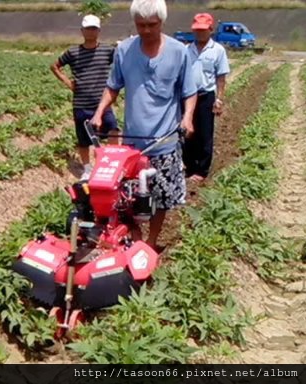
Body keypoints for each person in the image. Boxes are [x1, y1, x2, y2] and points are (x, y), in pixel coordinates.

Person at [90, 0, 197, 251]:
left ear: (162, 22)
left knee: (161, 199)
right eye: (141, 25)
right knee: (126, 197)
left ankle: (151, 241)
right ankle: (134, 238)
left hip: (164, 142)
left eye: (152, 25)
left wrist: (188, 117)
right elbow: (112, 87)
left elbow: (189, 92)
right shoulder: (125, 51)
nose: (146, 30)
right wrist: (99, 112)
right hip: (132, 145)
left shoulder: (179, 51)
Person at [50, 14, 119, 180]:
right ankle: (87, 169)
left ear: (99, 31)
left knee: (113, 131)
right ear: (82, 31)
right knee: (83, 139)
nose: (91, 31)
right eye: (88, 28)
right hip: (81, 103)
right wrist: (69, 83)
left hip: (102, 104)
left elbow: (121, 62)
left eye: (94, 28)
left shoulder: (108, 50)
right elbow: (55, 66)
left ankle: (109, 164)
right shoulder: (73, 52)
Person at [183, 12, 230, 182]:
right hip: (188, 97)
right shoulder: (186, 50)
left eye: (203, 30)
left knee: (204, 134)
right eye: (197, 30)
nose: (199, 33)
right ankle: (189, 166)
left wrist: (219, 99)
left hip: (206, 96)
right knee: (187, 132)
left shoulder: (217, 50)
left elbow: (221, 77)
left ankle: (202, 170)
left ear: (210, 30)